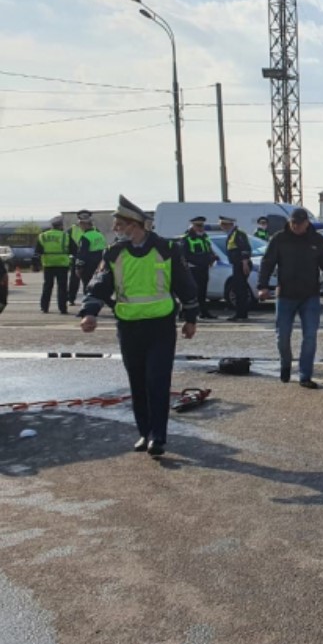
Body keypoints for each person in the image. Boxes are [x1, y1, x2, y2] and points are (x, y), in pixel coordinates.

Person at [79, 195, 199, 457]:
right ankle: (144, 432)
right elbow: (99, 285)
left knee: (157, 380)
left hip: (160, 326)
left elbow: (185, 284)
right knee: (137, 383)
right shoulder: (114, 253)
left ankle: (158, 437)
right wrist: (90, 313)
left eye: (120, 225)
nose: (115, 230)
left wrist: (191, 319)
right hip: (129, 328)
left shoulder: (167, 248)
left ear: (135, 225)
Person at [258, 207, 323, 387]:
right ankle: (285, 364)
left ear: (306, 223)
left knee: (310, 336)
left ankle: (305, 375)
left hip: (309, 296)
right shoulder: (279, 239)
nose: (295, 226)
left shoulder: (317, 240)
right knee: (283, 337)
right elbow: (267, 263)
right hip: (285, 295)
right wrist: (262, 286)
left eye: (299, 223)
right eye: (293, 222)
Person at [179, 216, 219, 319]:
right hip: (192, 269)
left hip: (203, 268)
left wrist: (212, 257)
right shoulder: (187, 238)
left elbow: (208, 250)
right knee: (192, 292)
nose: (200, 228)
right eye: (198, 226)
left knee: (202, 292)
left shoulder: (204, 237)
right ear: (192, 226)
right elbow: (184, 255)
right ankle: (184, 313)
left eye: (202, 226)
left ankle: (203, 312)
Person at [34, 215, 74, 314]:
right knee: (62, 288)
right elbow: (74, 250)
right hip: (62, 264)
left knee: (47, 286)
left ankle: (44, 307)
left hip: (48, 264)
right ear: (60, 226)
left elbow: (37, 252)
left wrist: (36, 265)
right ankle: (62, 309)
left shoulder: (43, 236)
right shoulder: (65, 236)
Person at [219, 216, 252, 321]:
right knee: (238, 289)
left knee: (240, 289)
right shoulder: (232, 234)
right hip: (237, 264)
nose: (221, 227)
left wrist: (245, 262)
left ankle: (241, 314)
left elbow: (246, 249)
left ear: (227, 224)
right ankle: (241, 313)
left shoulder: (238, 234)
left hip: (241, 264)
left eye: (222, 225)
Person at [71, 211, 107, 304]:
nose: (80, 227)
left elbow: (82, 254)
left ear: (85, 224)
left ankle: (88, 304)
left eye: (81, 224)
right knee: (97, 284)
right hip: (99, 263)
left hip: (88, 264)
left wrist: (79, 267)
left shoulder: (85, 237)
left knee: (87, 285)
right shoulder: (100, 235)